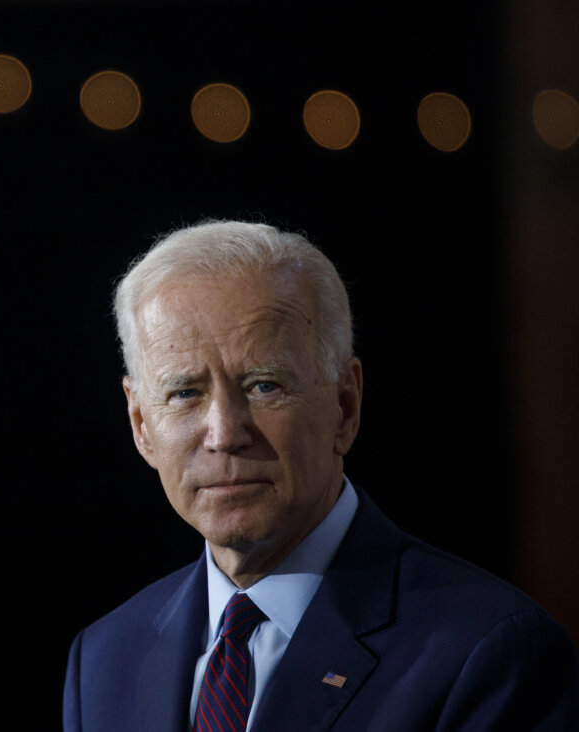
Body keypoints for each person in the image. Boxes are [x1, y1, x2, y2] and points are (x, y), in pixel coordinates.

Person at [62, 220, 579, 731]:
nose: (223, 433)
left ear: (344, 405)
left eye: (264, 385)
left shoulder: (487, 653)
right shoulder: (105, 660)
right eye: (184, 393)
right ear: (141, 426)